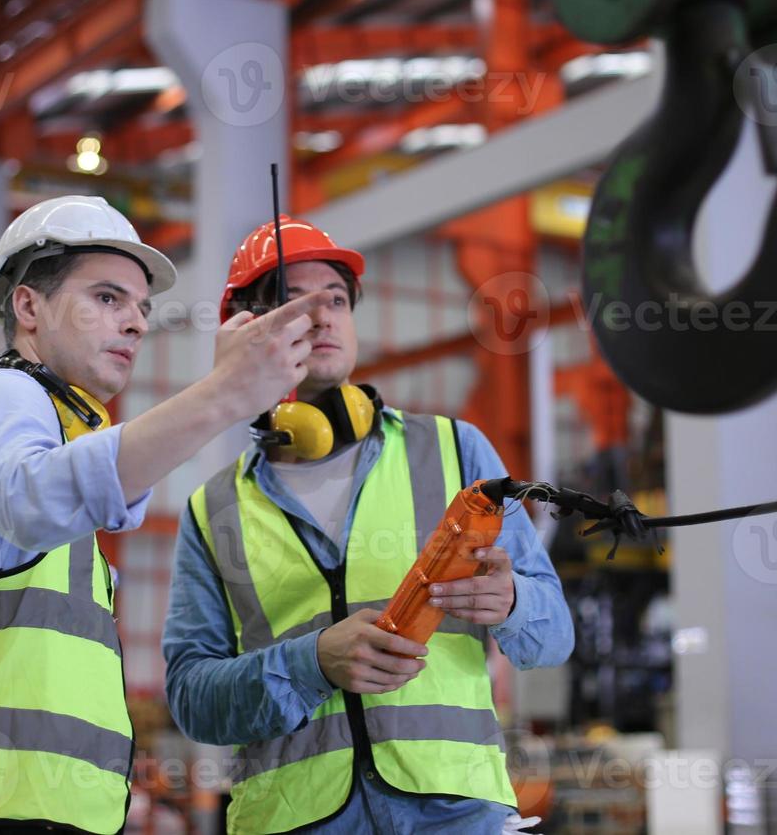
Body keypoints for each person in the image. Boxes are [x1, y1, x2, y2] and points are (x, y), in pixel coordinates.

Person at [0, 196, 333, 834]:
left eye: (142, 308)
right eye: (107, 298)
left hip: (46, 812)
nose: (137, 324)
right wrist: (224, 393)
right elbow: (30, 499)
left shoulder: (56, 431)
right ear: (29, 306)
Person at [163, 216, 575, 834]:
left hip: (455, 814)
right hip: (294, 821)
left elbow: (555, 636)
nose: (323, 316)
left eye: (334, 299)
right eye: (292, 301)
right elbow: (193, 699)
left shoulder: (456, 452)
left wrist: (513, 599)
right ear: (246, 329)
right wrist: (311, 664)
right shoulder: (214, 508)